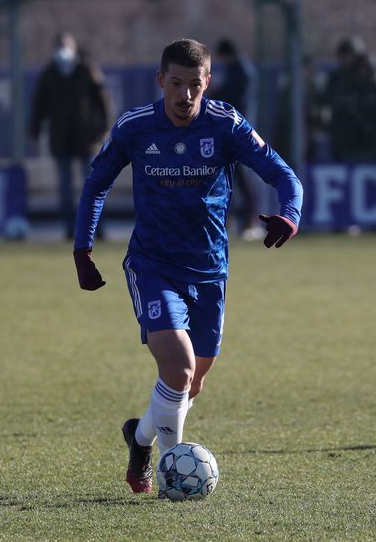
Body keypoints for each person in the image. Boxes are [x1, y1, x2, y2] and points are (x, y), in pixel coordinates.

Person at [72, 38, 303, 495]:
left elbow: (283, 175)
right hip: (153, 265)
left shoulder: (226, 125)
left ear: (207, 82)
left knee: (190, 383)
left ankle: (140, 438)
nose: (185, 94)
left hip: (210, 269)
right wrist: (83, 249)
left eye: (194, 85)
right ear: (161, 81)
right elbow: (96, 184)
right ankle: (173, 474)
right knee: (178, 368)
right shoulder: (136, 127)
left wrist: (290, 214)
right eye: (176, 84)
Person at [29, 33, 112, 239]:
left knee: (92, 185)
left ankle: (97, 229)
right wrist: (34, 130)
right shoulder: (49, 74)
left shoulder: (86, 70)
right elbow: (39, 105)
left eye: (65, 46)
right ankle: (69, 229)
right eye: (59, 46)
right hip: (61, 138)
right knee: (65, 189)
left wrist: (105, 127)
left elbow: (102, 100)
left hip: (86, 138)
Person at [211, 38, 261, 239]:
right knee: (232, 177)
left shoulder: (241, 72)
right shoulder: (239, 70)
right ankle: (236, 221)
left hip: (237, 131)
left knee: (240, 176)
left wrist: (215, 93)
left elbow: (233, 100)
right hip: (234, 130)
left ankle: (250, 221)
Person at [319, 36, 376, 162]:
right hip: (344, 143)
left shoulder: (375, 82)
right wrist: (332, 129)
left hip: (372, 144)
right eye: (342, 57)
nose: (346, 61)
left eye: (349, 56)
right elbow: (324, 104)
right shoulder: (337, 80)